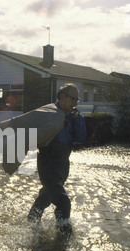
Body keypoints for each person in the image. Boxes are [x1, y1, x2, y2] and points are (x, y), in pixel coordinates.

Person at [27, 83, 86, 234]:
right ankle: (64, 237)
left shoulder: (74, 116)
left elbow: (81, 138)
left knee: (46, 197)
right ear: (62, 97)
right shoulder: (48, 113)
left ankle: (31, 225)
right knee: (64, 202)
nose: (75, 103)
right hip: (47, 163)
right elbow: (30, 133)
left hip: (63, 163)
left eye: (77, 100)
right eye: (73, 99)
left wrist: (77, 120)